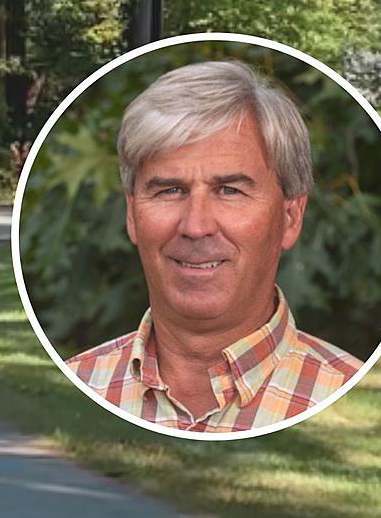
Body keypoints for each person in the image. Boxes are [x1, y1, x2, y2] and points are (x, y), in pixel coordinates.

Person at [66, 60, 363, 434]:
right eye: (169, 190)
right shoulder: (78, 383)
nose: (195, 226)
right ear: (131, 215)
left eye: (230, 191)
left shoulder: (346, 396)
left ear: (290, 218)